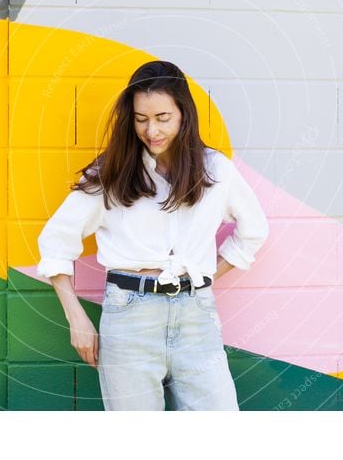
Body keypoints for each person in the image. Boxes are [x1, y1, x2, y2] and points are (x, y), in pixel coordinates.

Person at [36, 60, 269, 410]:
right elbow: (56, 242)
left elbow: (254, 231)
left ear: (184, 115)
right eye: (141, 119)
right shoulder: (111, 174)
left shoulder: (215, 170)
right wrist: (77, 318)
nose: (152, 130)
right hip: (130, 319)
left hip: (197, 320)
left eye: (163, 118)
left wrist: (204, 278)